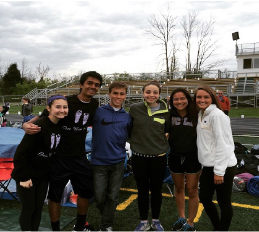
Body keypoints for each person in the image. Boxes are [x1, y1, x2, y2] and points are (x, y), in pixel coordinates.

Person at [23, 71, 103, 231]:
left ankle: (80, 227)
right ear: (81, 85)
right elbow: (44, 116)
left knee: (85, 193)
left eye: (96, 85)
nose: (93, 87)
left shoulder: (95, 104)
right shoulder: (66, 102)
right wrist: (26, 124)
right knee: (55, 195)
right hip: (58, 158)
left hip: (80, 157)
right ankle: (55, 229)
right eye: (89, 83)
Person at [11, 95, 68, 231]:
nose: (62, 110)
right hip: (27, 175)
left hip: (42, 176)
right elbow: (20, 153)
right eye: (58, 107)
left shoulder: (60, 124)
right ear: (49, 108)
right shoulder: (38, 126)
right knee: (28, 209)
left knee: (38, 209)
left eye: (65, 107)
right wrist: (24, 177)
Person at [193, 85, 237, 231]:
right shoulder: (201, 114)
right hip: (208, 165)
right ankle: (218, 227)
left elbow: (223, 144)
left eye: (206, 97)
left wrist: (219, 171)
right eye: (199, 97)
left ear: (212, 98)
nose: (202, 99)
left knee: (224, 202)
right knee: (205, 197)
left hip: (223, 166)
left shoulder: (217, 115)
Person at [129, 80, 170, 231]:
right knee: (142, 190)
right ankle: (143, 221)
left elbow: (169, 130)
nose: (151, 95)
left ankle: (156, 220)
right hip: (139, 157)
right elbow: (129, 129)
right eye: (148, 92)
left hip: (158, 157)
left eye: (155, 92)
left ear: (159, 94)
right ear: (143, 93)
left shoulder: (166, 110)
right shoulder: (134, 108)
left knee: (157, 190)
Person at [91, 82, 131, 231]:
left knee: (113, 196)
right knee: (99, 197)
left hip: (118, 162)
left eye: (121, 94)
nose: (118, 96)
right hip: (98, 162)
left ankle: (106, 225)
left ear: (125, 96)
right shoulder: (98, 112)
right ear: (109, 94)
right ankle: (107, 217)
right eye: (115, 93)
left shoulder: (127, 116)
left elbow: (132, 135)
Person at [168, 88, 201, 231]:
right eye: (176, 99)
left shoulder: (197, 115)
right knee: (179, 188)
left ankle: (191, 222)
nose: (179, 102)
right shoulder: (169, 115)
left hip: (193, 156)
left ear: (188, 99)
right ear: (172, 101)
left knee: (192, 190)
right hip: (175, 156)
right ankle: (181, 217)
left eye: (182, 99)